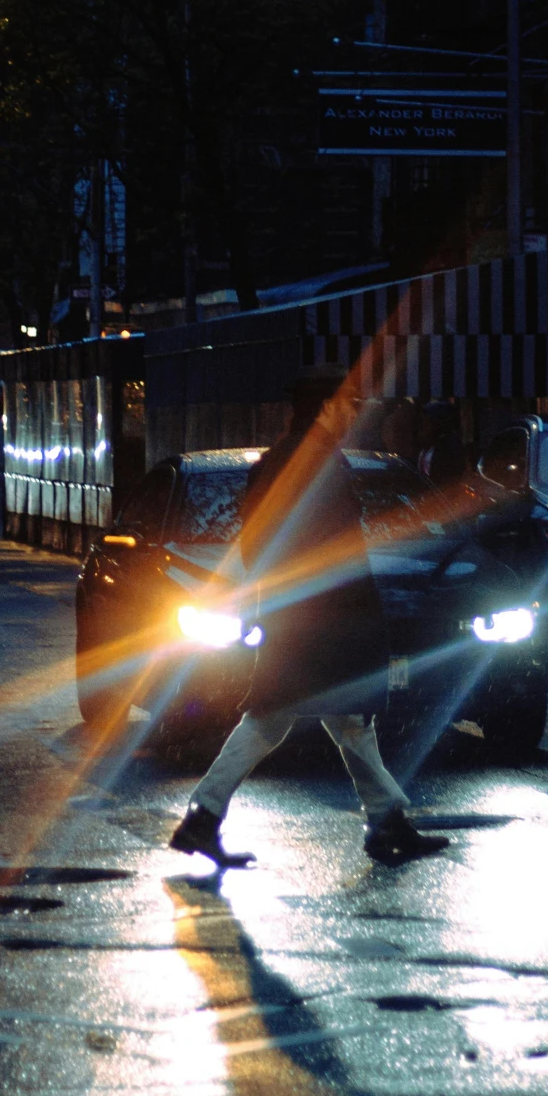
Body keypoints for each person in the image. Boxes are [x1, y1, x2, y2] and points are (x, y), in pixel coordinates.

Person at [169, 367, 449, 868]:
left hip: (301, 613)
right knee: (294, 718)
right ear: (324, 409)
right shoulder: (316, 462)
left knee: (326, 719)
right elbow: (335, 549)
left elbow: (258, 543)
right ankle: (386, 823)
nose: (351, 414)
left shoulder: (283, 460)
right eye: (345, 406)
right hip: (326, 617)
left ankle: (384, 823)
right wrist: (340, 609)